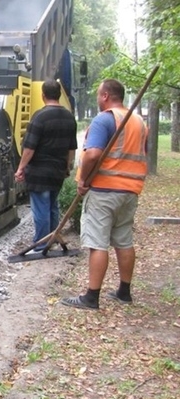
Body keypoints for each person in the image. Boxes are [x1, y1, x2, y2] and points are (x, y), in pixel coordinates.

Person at [61, 79, 148, 310]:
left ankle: (91, 297)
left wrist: (82, 180)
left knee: (98, 243)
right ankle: (124, 291)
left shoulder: (104, 119)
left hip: (104, 190)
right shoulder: (138, 122)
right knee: (124, 241)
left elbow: (92, 155)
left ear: (106, 96)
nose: (99, 99)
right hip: (130, 191)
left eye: (99, 95)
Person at [14, 79, 77, 252]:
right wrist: (67, 166)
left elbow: (29, 148)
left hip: (39, 171)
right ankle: (52, 238)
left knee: (41, 207)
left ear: (43, 95)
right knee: (53, 205)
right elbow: (72, 148)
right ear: (58, 95)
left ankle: (41, 244)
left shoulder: (40, 117)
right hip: (58, 170)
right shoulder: (69, 118)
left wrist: (20, 168)